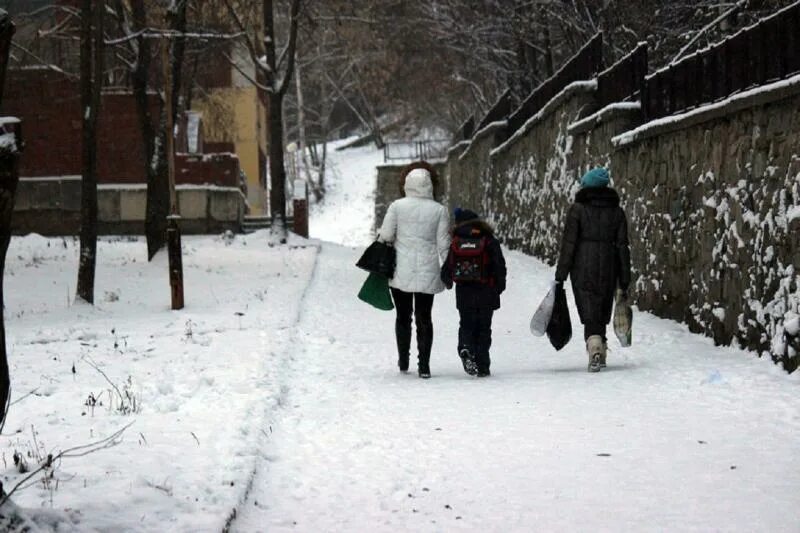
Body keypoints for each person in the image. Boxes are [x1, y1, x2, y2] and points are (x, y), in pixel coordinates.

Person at [555, 167, 631, 372]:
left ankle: (595, 346)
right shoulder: (617, 212)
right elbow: (623, 245)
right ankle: (600, 347)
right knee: (603, 305)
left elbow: (569, 244)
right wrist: (625, 276)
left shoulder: (577, 210)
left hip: (582, 265)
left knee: (589, 307)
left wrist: (560, 274)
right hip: (609, 264)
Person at [378, 164, 450, 378]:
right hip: (428, 269)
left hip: (401, 268)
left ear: (407, 184)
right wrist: (448, 270)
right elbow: (443, 244)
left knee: (403, 316)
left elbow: (387, 236)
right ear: (429, 185)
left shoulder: (397, 207)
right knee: (424, 317)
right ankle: (424, 366)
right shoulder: (439, 210)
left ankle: (403, 361)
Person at [441, 208, 507, 377]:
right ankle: (483, 365)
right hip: (486, 290)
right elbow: (499, 265)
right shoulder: (488, 239)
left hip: (464, 291)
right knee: (484, 327)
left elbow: (447, 267)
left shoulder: (457, 241)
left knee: (466, 323)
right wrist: (499, 287)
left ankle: (465, 347)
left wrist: (448, 281)